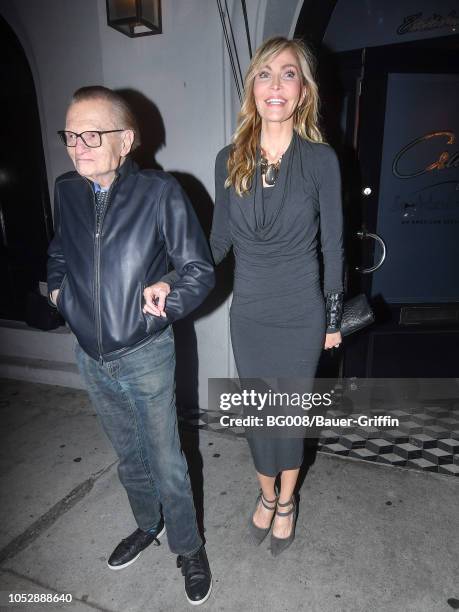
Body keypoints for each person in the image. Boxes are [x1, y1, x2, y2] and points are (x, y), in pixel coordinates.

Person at [158, 37, 344, 557]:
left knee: (290, 417)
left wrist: (332, 318)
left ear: (303, 91)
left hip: (302, 312)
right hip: (253, 314)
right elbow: (218, 242)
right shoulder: (229, 159)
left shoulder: (320, 160)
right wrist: (173, 277)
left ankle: (286, 501)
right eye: (266, 74)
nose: (276, 85)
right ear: (253, 89)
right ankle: (266, 493)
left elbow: (333, 246)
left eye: (289, 74)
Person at [47, 86, 214, 605]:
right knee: (128, 456)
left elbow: (199, 270)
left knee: (166, 457)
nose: (78, 145)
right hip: (90, 354)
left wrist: (170, 292)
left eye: (92, 133)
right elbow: (58, 255)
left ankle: (188, 547)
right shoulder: (67, 190)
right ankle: (148, 524)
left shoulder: (161, 192)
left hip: (144, 351)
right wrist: (58, 296)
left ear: (126, 140)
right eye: (71, 134)